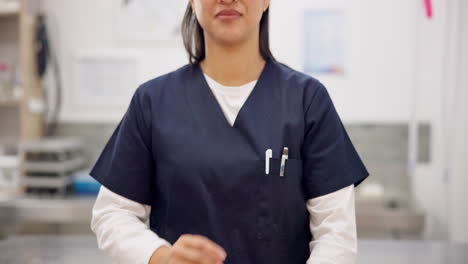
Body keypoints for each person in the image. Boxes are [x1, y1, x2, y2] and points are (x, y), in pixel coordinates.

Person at [90, 0, 370, 263]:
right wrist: (162, 257)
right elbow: (113, 213)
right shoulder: (153, 102)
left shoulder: (307, 101)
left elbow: (336, 234)